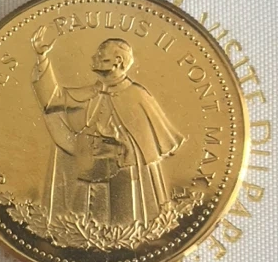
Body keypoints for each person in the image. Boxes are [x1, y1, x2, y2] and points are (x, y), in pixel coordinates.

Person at [31, 34, 184, 230]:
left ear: (117, 61)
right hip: (87, 168)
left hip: (124, 172)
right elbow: (53, 100)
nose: (93, 57)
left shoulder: (137, 96)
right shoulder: (89, 92)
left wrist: (121, 149)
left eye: (100, 54)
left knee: (123, 222)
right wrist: (42, 58)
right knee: (83, 221)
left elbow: (146, 144)